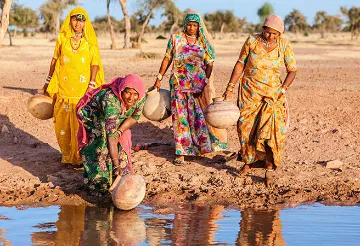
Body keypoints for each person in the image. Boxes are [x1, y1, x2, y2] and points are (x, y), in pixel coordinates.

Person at [223, 15, 297, 186]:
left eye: (274, 34)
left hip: (272, 96)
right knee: (246, 129)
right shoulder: (252, 41)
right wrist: (230, 87)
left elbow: (292, 70)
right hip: (249, 94)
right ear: (263, 28)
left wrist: (283, 88)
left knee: (271, 133)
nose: (270, 36)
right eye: (267, 32)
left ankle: (269, 170)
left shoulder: (284, 45)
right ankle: (250, 162)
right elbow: (240, 64)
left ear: (280, 34)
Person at [153, 10, 227, 165]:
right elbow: (167, 58)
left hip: (197, 86)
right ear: (185, 25)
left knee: (198, 117)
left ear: (198, 27)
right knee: (180, 117)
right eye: (189, 25)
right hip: (178, 84)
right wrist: (159, 77)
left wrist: (205, 79)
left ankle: (201, 147)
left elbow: (210, 63)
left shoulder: (202, 43)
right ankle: (182, 151)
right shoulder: (176, 38)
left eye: (195, 25)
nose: (192, 28)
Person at [42, 7, 104, 165]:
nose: (78, 23)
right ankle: (67, 155)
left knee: (81, 124)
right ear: (70, 20)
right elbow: (55, 60)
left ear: (85, 23)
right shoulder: (62, 39)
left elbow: (94, 63)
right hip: (64, 88)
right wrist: (48, 81)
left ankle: (80, 157)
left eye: (82, 20)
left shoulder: (89, 41)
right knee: (62, 124)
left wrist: (91, 84)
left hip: (82, 89)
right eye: (75, 19)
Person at [77, 74, 146, 194]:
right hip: (93, 117)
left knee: (122, 145)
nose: (131, 98)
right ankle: (97, 184)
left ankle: (119, 177)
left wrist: (120, 131)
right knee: (99, 147)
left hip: (115, 118)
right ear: (122, 91)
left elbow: (135, 117)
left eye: (135, 94)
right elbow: (111, 138)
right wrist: (115, 164)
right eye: (128, 93)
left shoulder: (140, 98)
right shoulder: (111, 101)